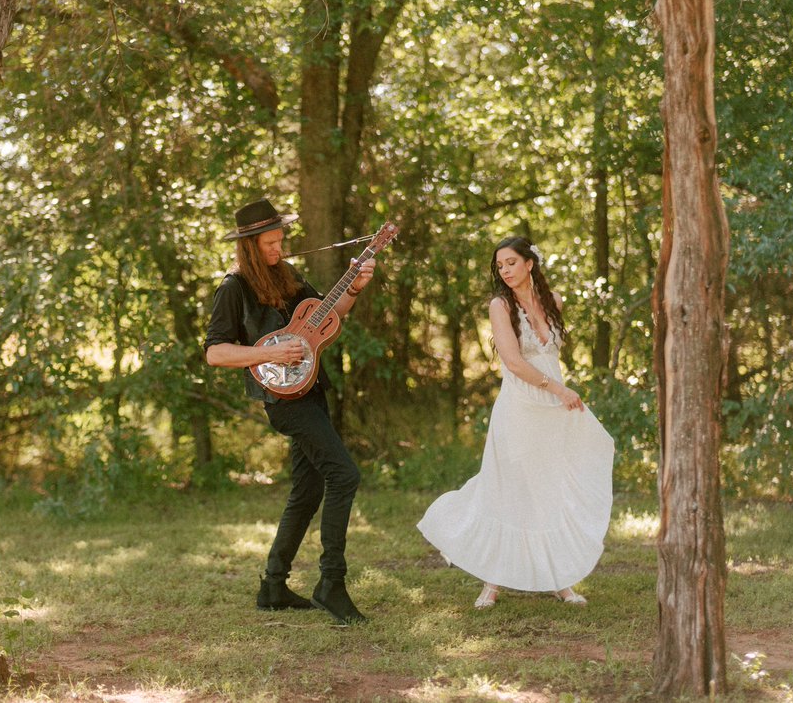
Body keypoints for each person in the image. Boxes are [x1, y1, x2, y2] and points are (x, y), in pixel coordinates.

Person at [417, 235, 613, 608]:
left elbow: (550, 356)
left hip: (553, 407)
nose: (505, 271)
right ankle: (492, 582)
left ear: (529, 263)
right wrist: (559, 390)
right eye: (500, 266)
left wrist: (559, 393)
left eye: (511, 263)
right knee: (509, 486)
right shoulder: (500, 305)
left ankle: (559, 579)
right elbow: (514, 361)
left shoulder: (554, 302)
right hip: (521, 405)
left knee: (550, 485)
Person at [204, 197, 375, 625]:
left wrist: (354, 286)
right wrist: (271, 353)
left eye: (280, 240)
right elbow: (215, 352)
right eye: (270, 243)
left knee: (308, 491)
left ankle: (273, 587)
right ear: (249, 246)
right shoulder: (233, 287)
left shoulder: (288, 275)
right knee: (344, 475)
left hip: (312, 389)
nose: (278, 248)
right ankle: (331, 583)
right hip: (283, 400)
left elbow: (329, 315)